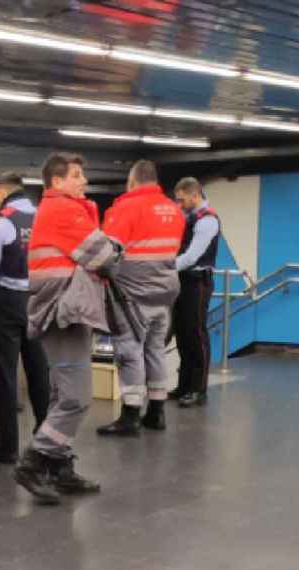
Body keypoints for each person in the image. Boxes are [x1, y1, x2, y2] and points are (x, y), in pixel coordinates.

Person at [15, 153, 121, 504]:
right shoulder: (63, 209)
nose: (83, 181)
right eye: (76, 175)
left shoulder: (60, 210)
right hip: (65, 311)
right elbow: (104, 256)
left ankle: (59, 467)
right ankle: (34, 461)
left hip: (66, 310)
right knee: (76, 397)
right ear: (56, 182)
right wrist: (110, 249)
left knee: (64, 394)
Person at [96, 160, 185, 436]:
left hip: (132, 293)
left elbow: (106, 253)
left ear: (132, 181)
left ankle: (131, 414)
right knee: (155, 348)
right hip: (165, 291)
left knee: (129, 349)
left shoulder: (125, 208)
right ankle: (156, 412)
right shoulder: (174, 209)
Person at [0, 172, 50, 464]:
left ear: (1, 192)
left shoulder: (2, 221)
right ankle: (46, 443)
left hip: (9, 303)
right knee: (39, 373)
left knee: (5, 375)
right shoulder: (42, 216)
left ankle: (6, 447)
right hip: (40, 300)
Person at [171, 177, 220, 408]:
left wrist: (163, 267)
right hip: (183, 280)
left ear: (194, 195)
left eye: (182, 200)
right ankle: (184, 385)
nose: (179, 204)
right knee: (182, 333)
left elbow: (191, 257)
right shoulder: (189, 218)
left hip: (198, 282)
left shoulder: (207, 220)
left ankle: (199, 389)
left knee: (196, 333)